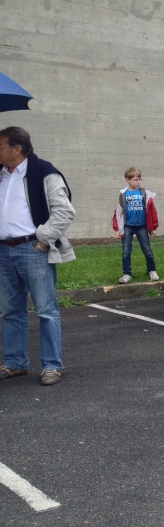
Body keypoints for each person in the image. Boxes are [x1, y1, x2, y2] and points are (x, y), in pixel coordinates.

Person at [0, 126, 75, 386]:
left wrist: (43, 240)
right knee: (10, 310)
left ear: (16, 149)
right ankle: (15, 363)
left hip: (33, 249)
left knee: (46, 310)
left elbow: (64, 212)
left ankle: (52, 366)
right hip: (3, 250)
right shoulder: (1, 174)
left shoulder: (44, 172)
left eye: (0, 146)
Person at [112, 166, 159, 283]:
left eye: (139, 179)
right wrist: (117, 228)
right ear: (128, 180)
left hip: (142, 226)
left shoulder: (144, 193)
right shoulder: (123, 194)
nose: (138, 182)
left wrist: (153, 227)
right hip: (128, 226)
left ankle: (152, 270)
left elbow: (151, 210)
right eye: (135, 180)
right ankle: (127, 273)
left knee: (147, 250)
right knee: (126, 251)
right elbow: (118, 211)